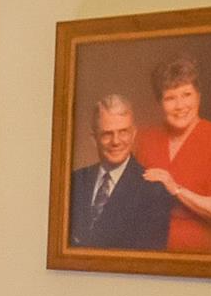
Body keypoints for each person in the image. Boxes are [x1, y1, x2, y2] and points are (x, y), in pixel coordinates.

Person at [135, 56, 211, 255]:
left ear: (198, 96)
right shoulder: (146, 139)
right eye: (170, 97)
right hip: (149, 253)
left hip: (200, 255)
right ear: (160, 103)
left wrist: (175, 189)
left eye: (186, 94)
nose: (180, 105)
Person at [68, 92, 168, 251]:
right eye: (107, 134)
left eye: (123, 132)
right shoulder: (74, 181)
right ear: (94, 139)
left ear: (133, 134)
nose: (116, 141)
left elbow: (147, 262)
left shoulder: (153, 190)